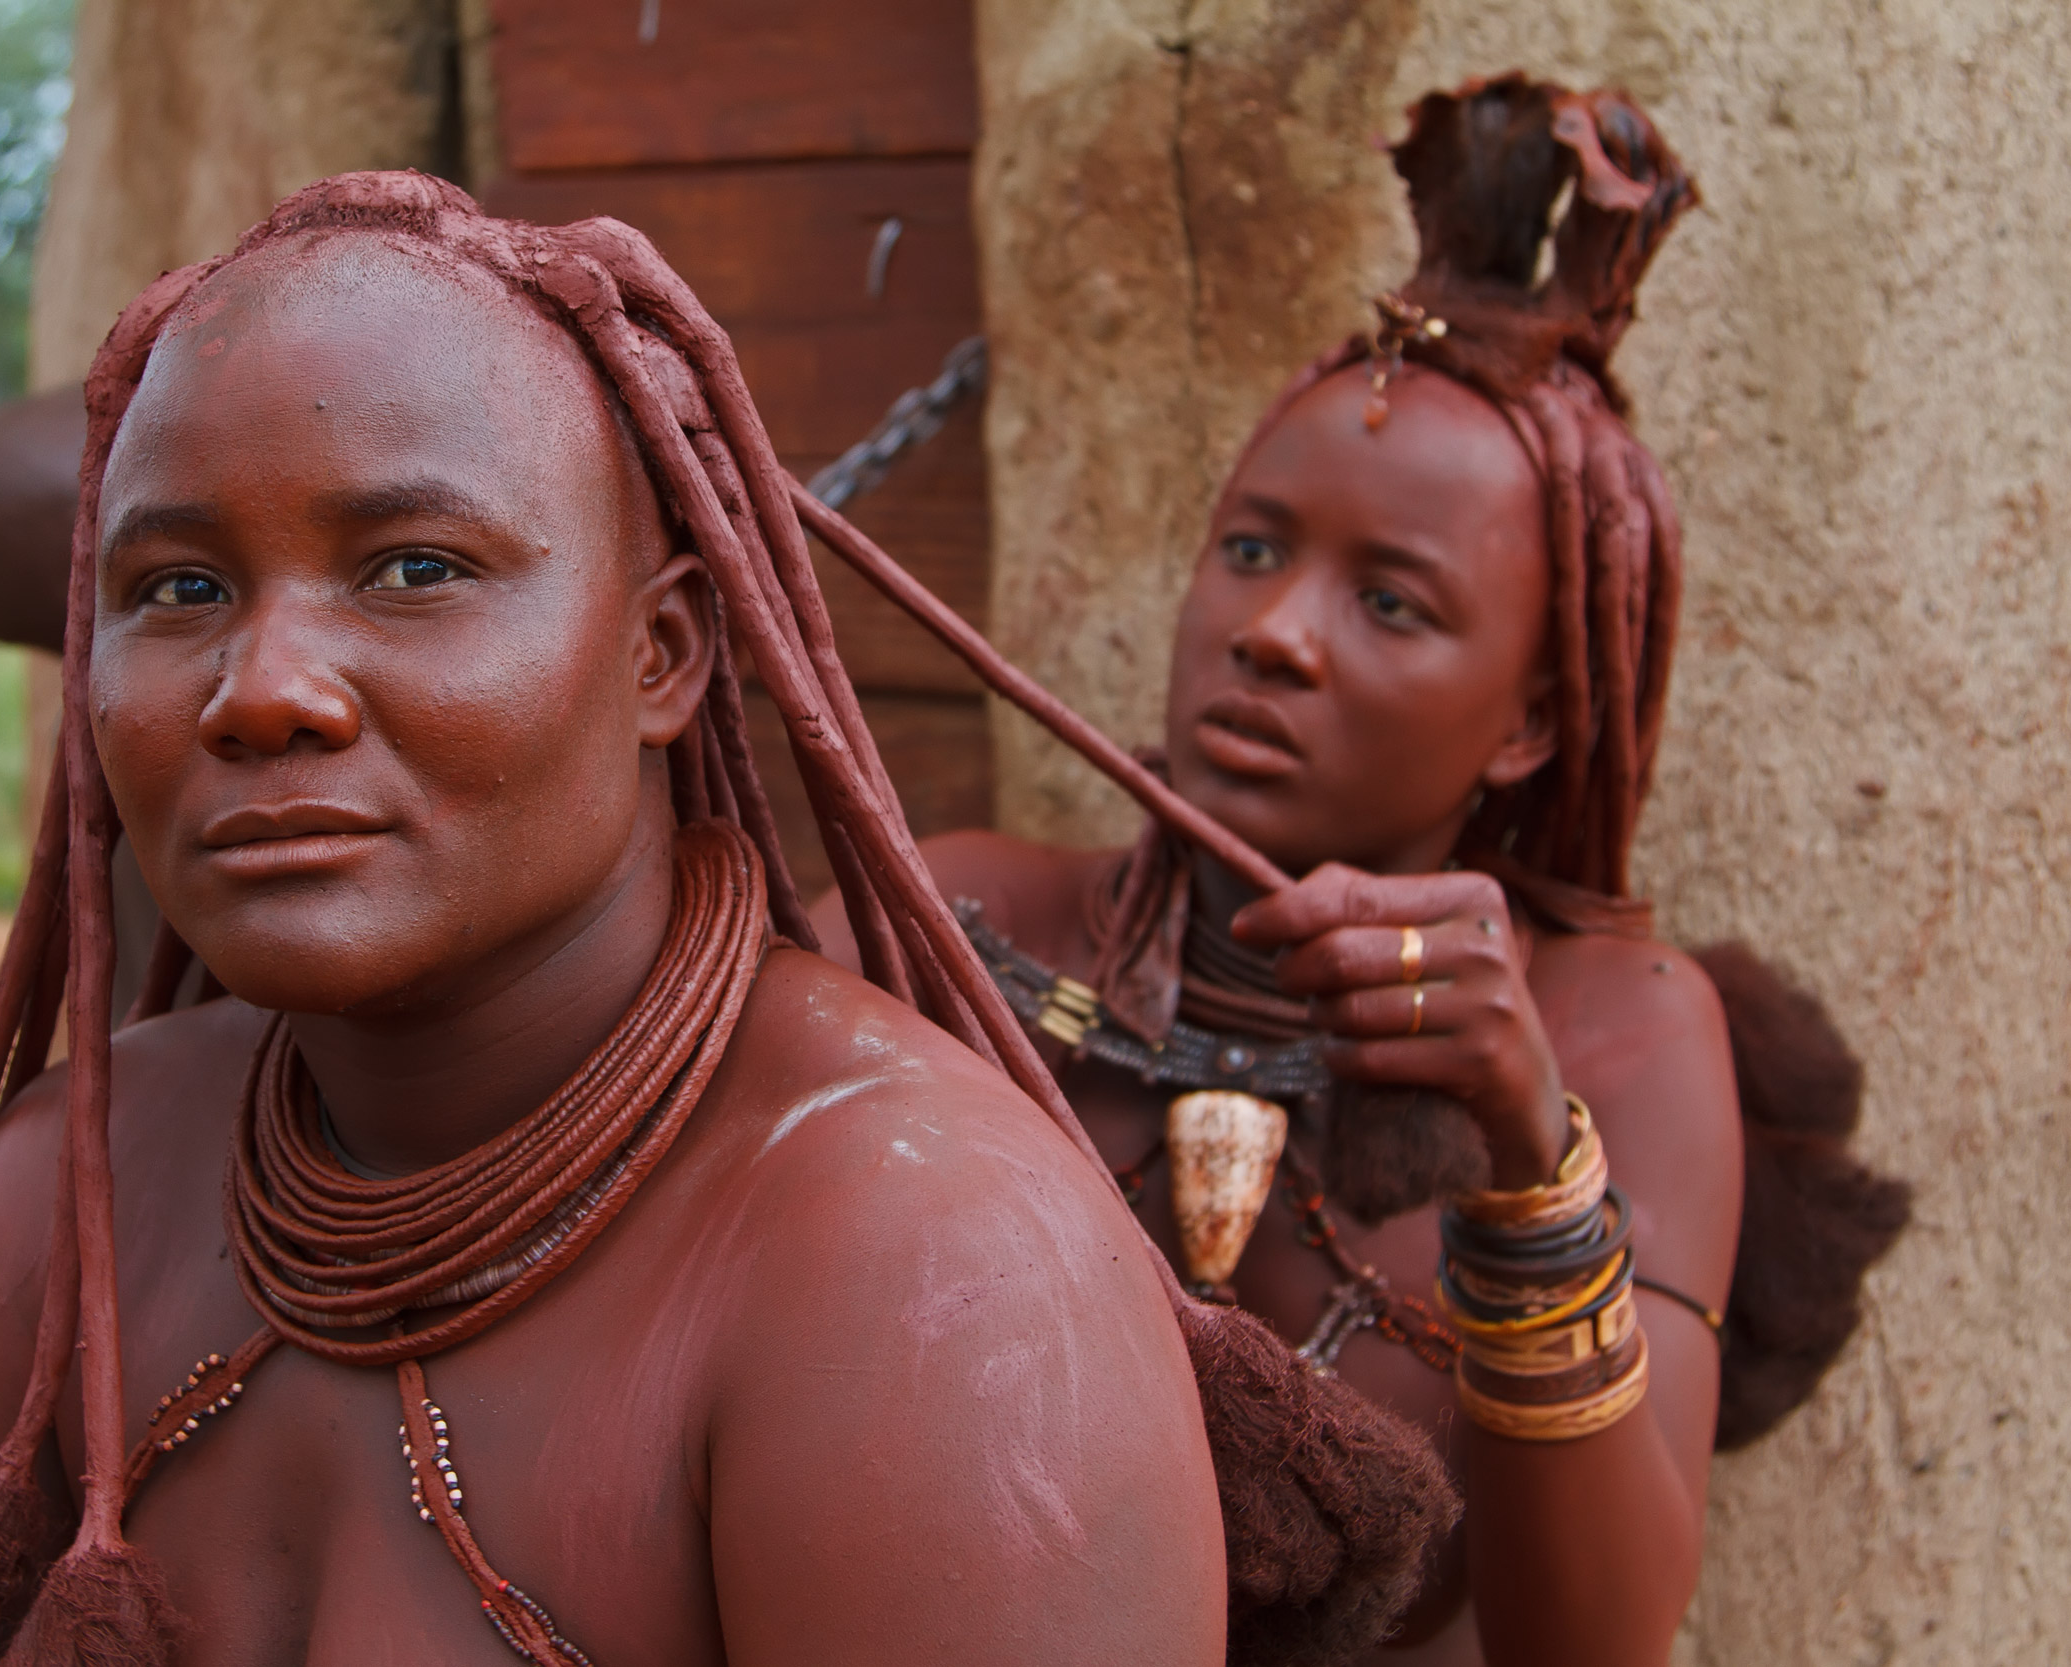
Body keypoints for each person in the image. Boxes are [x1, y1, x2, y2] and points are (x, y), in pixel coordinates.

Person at [0, 172, 1459, 1667]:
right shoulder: (66, 1192)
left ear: (660, 656)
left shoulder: (926, 1288)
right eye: (174, 588)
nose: (264, 687)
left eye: (414, 568)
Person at [816, 76, 1907, 1666]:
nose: (1272, 630)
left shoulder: (1610, 1034)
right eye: (1251, 549)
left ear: (1532, 719)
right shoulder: (962, 921)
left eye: (1390, 603)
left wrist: (1533, 1168)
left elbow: (1591, 1643)